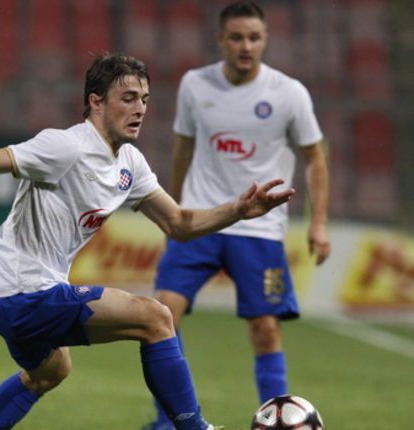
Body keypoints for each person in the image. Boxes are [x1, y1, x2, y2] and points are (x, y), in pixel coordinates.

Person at [0, 53, 295, 430]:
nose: (139, 109)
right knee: (155, 318)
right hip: (22, 291)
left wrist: (237, 211)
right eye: (128, 98)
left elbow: (180, 223)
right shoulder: (66, 145)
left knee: (50, 372)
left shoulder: (130, 163)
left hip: (7, 293)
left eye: (145, 99)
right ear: (96, 102)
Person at [142, 2, 331, 429]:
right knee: (161, 316)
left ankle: (275, 423)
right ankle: (166, 421)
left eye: (254, 37)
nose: (246, 46)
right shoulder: (195, 84)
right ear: (221, 40)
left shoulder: (289, 93)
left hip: (259, 229)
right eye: (237, 37)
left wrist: (318, 222)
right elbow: (183, 148)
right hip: (202, 219)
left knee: (265, 328)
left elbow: (315, 158)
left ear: (265, 40)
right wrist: (173, 211)